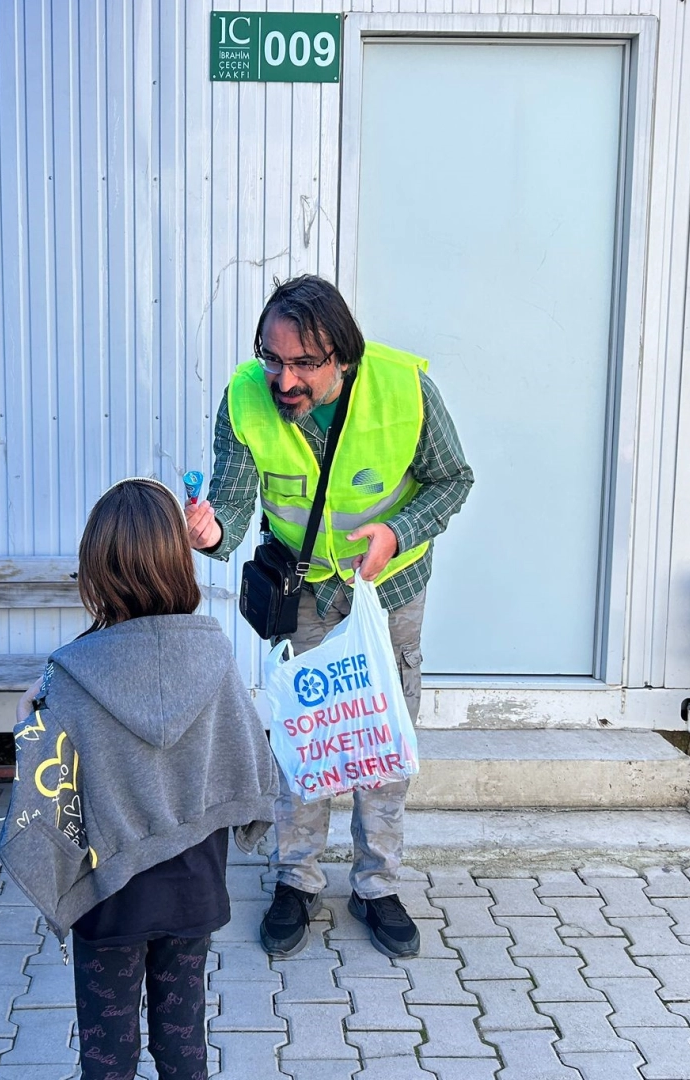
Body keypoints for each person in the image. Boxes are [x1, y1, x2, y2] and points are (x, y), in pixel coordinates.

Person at [185, 275, 473, 960]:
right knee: (302, 740)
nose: (284, 378)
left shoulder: (405, 390)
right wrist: (208, 533)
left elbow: (452, 480)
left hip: (389, 592)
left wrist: (397, 532)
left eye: (303, 363)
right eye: (272, 358)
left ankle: (376, 885)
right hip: (304, 593)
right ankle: (296, 878)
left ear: (341, 356)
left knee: (379, 740)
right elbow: (230, 503)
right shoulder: (244, 398)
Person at [0, 478, 278, 1080]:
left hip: (110, 893)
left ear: (95, 570)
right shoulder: (215, 655)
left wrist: (26, 719)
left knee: (107, 1051)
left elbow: (44, 783)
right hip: (193, 887)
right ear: (179, 564)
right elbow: (247, 754)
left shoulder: (70, 673)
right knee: (184, 1045)